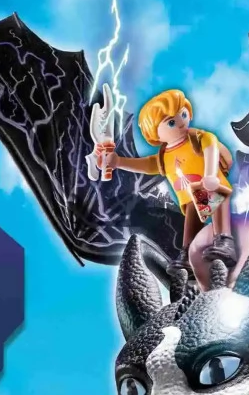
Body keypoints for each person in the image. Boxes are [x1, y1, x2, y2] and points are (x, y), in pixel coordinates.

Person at [101, 89, 237, 268]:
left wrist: (210, 174)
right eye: (171, 122)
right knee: (191, 222)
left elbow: (211, 149)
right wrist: (119, 162)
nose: (180, 123)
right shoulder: (165, 155)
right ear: (155, 135)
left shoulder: (198, 137)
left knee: (217, 204)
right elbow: (148, 165)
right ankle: (187, 255)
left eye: (183, 114)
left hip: (210, 186)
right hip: (191, 196)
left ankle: (225, 241)